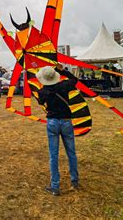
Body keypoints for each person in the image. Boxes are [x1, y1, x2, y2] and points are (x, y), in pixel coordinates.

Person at [36, 64, 79, 196]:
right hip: (66, 121)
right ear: (56, 76)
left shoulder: (42, 91)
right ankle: (75, 181)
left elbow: (40, 102)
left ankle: (55, 186)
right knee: (71, 152)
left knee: (53, 154)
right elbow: (74, 80)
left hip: (53, 122)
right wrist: (62, 70)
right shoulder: (64, 85)